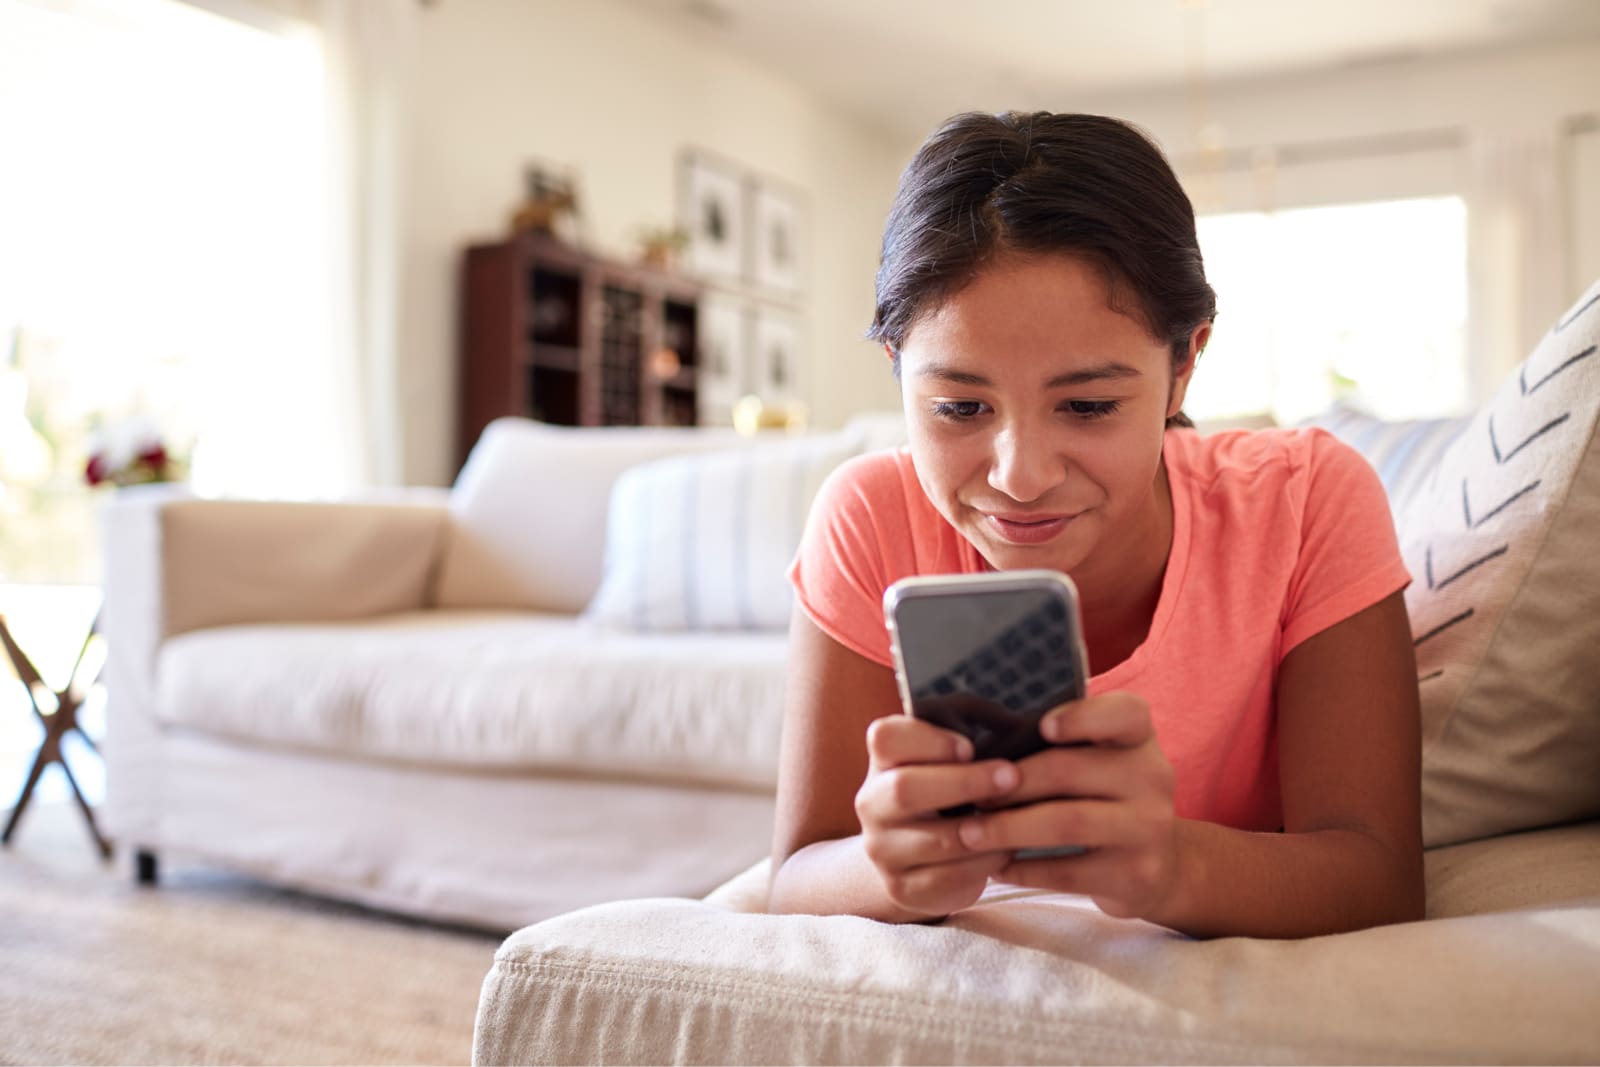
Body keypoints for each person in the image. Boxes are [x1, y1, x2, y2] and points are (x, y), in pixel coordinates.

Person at [766, 111, 1424, 939]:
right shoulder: (867, 515)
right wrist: (890, 867)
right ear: (897, 368)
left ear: (1184, 363)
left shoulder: (1306, 503)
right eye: (960, 407)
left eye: (1087, 405)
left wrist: (1169, 864)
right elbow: (795, 874)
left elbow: (1380, 877)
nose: (1021, 475)